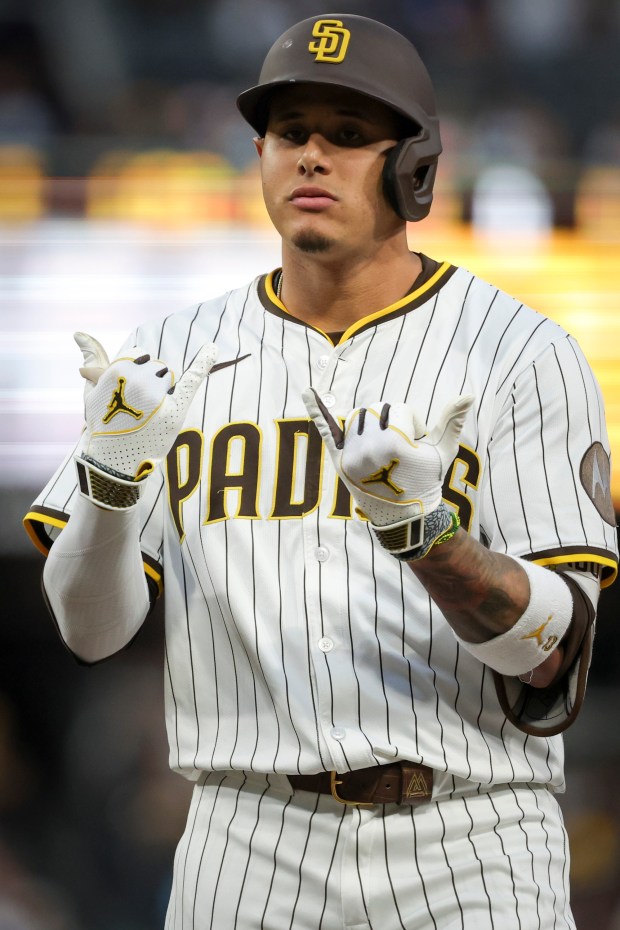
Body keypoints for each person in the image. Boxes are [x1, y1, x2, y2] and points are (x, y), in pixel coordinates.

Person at [24, 13, 618, 930]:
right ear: (257, 153)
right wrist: (107, 480)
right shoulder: (172, 352)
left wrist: (432, 542)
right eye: (291, 132)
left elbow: (554, 652)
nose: (312, 157)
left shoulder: (522, 353)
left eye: (347, 136)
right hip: (242, 836)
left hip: (470, 836)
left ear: (413, 167)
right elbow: (92, 632)